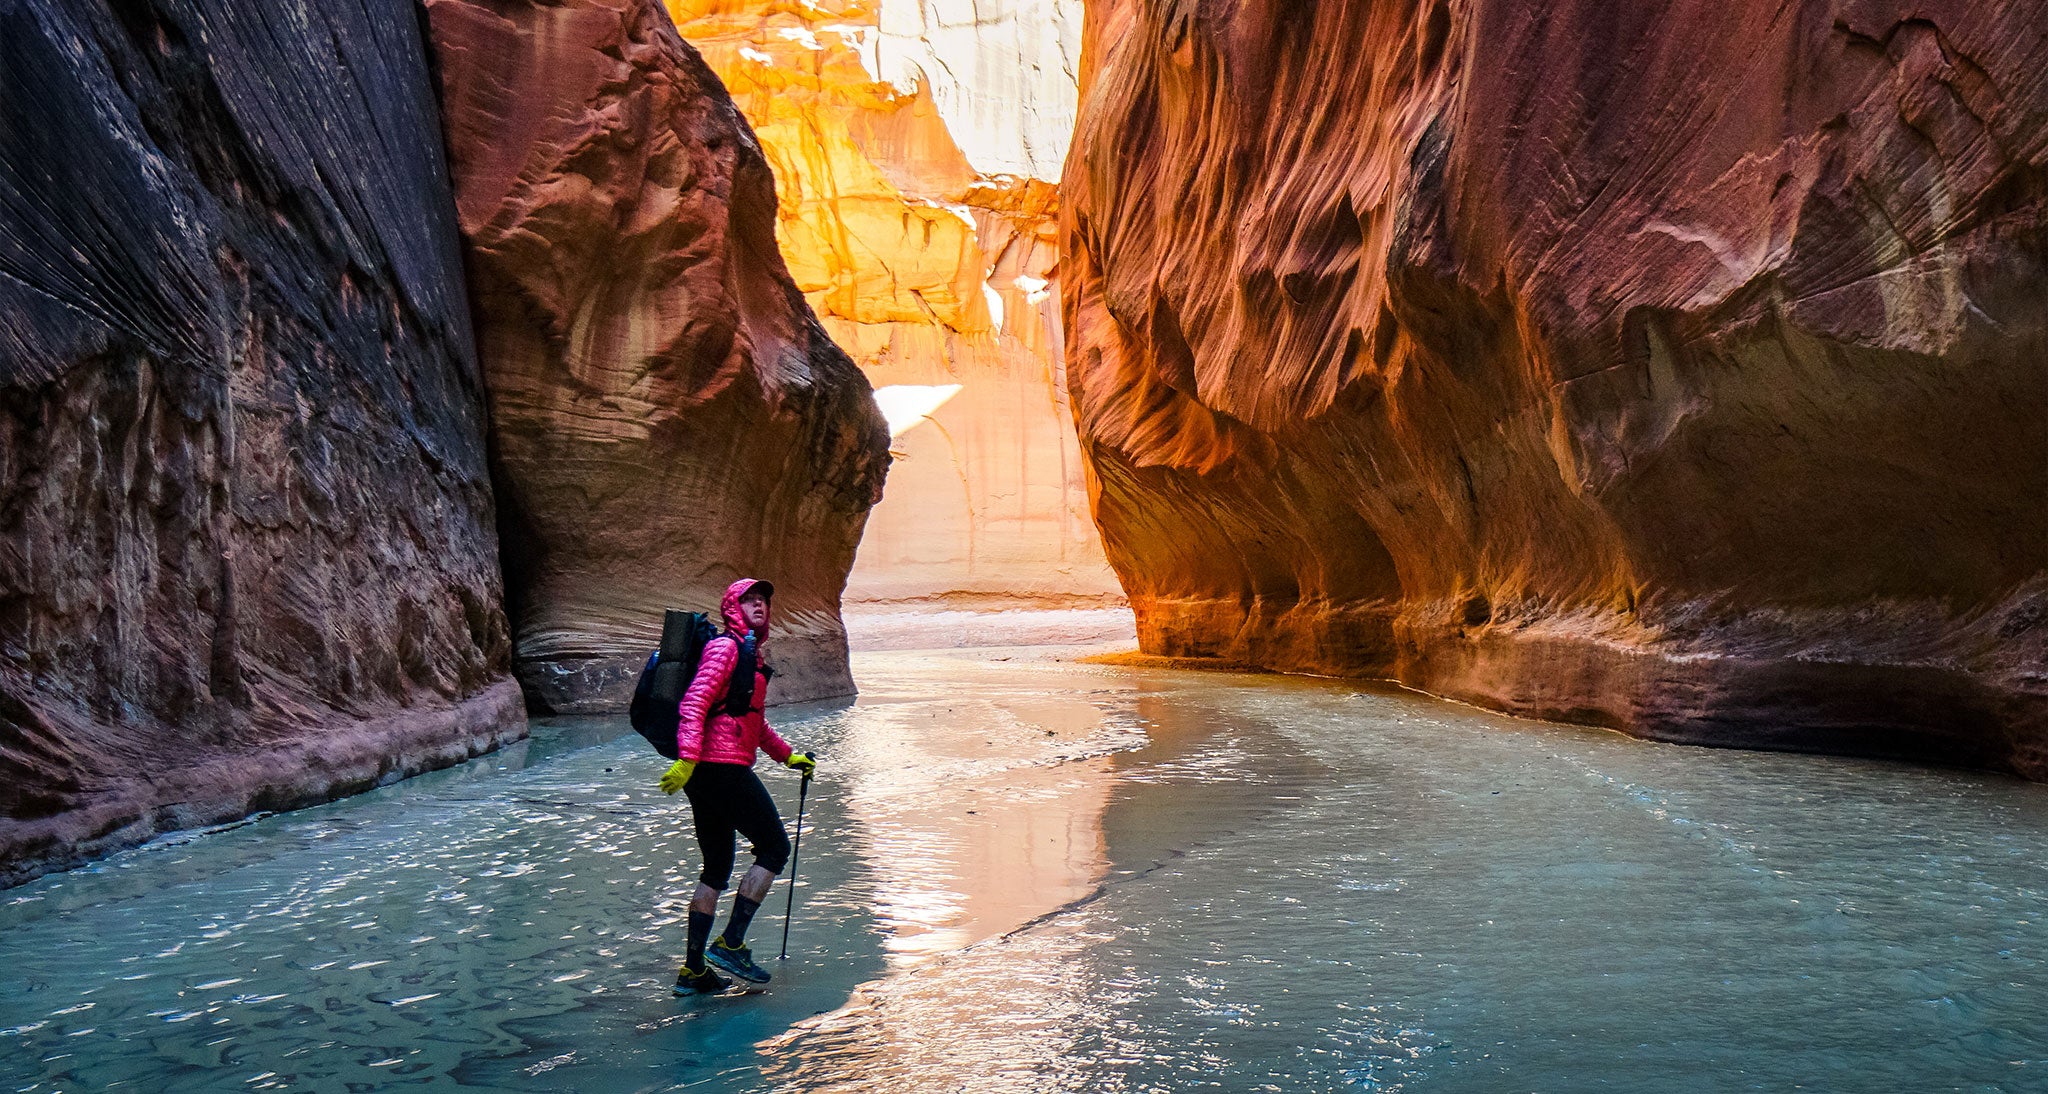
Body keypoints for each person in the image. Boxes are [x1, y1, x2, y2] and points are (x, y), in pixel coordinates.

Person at [658, 577, 817, 994]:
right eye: (749, 600)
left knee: (715, 870)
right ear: (733, 606)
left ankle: (693, 971)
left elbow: (750, 720)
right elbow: (694, 703)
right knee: (775, 848)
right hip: (720, 769)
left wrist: (788, 756)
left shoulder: (747, 653)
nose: (759, 605)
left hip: (710, 772)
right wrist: (687, 759)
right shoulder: (725, 648)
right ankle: (730, 943)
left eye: (763, 599)